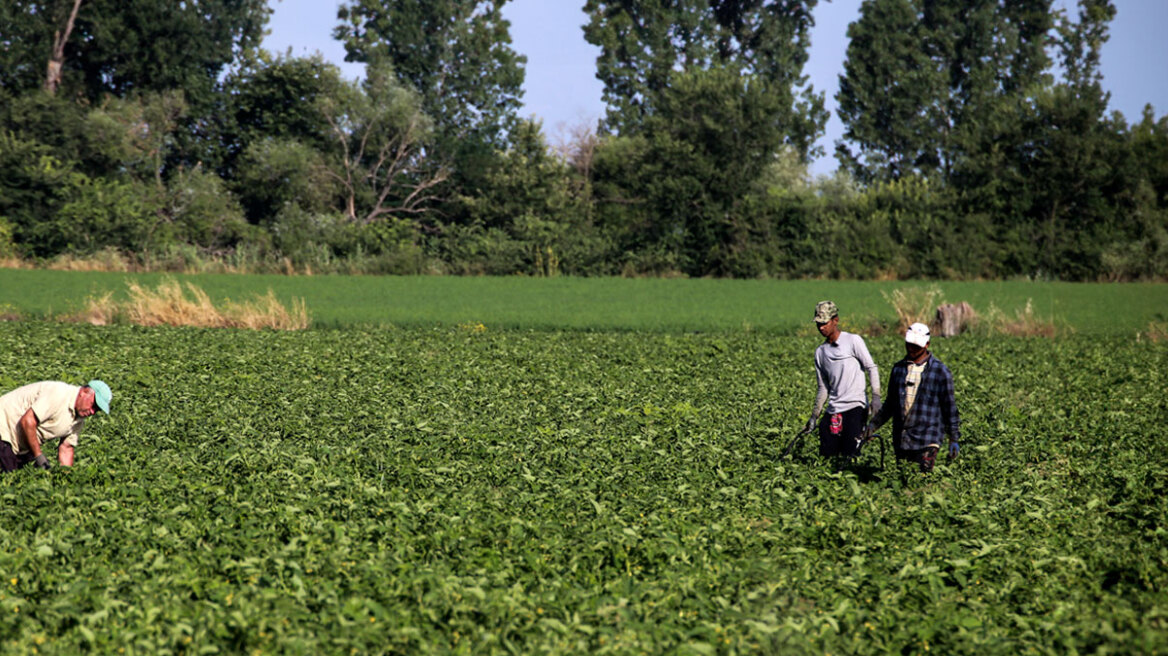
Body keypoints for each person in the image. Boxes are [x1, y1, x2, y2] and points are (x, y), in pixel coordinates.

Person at [865, 323, 960, 473]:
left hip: (928, 435)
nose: (911, 349)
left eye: (916, 346)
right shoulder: (898, 369)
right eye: (909, 344)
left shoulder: (940, 372)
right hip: (903, 437)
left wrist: (953, 438)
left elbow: (949, 407)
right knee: (904, 478)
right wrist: (873, 425)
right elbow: (890, 405)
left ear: (927, 344)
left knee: (922, 478)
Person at [805, 301, 881, 459]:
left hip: (855, 406)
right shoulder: (820, 352)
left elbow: (871, 367)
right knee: (827, 454)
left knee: (850, 454)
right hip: (834, 408)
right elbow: (823, 388)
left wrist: (876, 398)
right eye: (818, 324)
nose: (821, 328)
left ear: (835, 320)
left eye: (824, 323)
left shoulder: (853, 341)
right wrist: (814, 416)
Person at [0, 380, 111, 472]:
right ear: (84, 392)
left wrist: (65, 478)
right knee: (10, 477)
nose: (92, 411)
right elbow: (28, 421)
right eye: (93, 405)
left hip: (19, 442)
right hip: (4, 428)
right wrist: (38, 455)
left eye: (97, 410)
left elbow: (66, 448)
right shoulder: (59, 394)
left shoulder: (79, 420)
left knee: (26, 477)